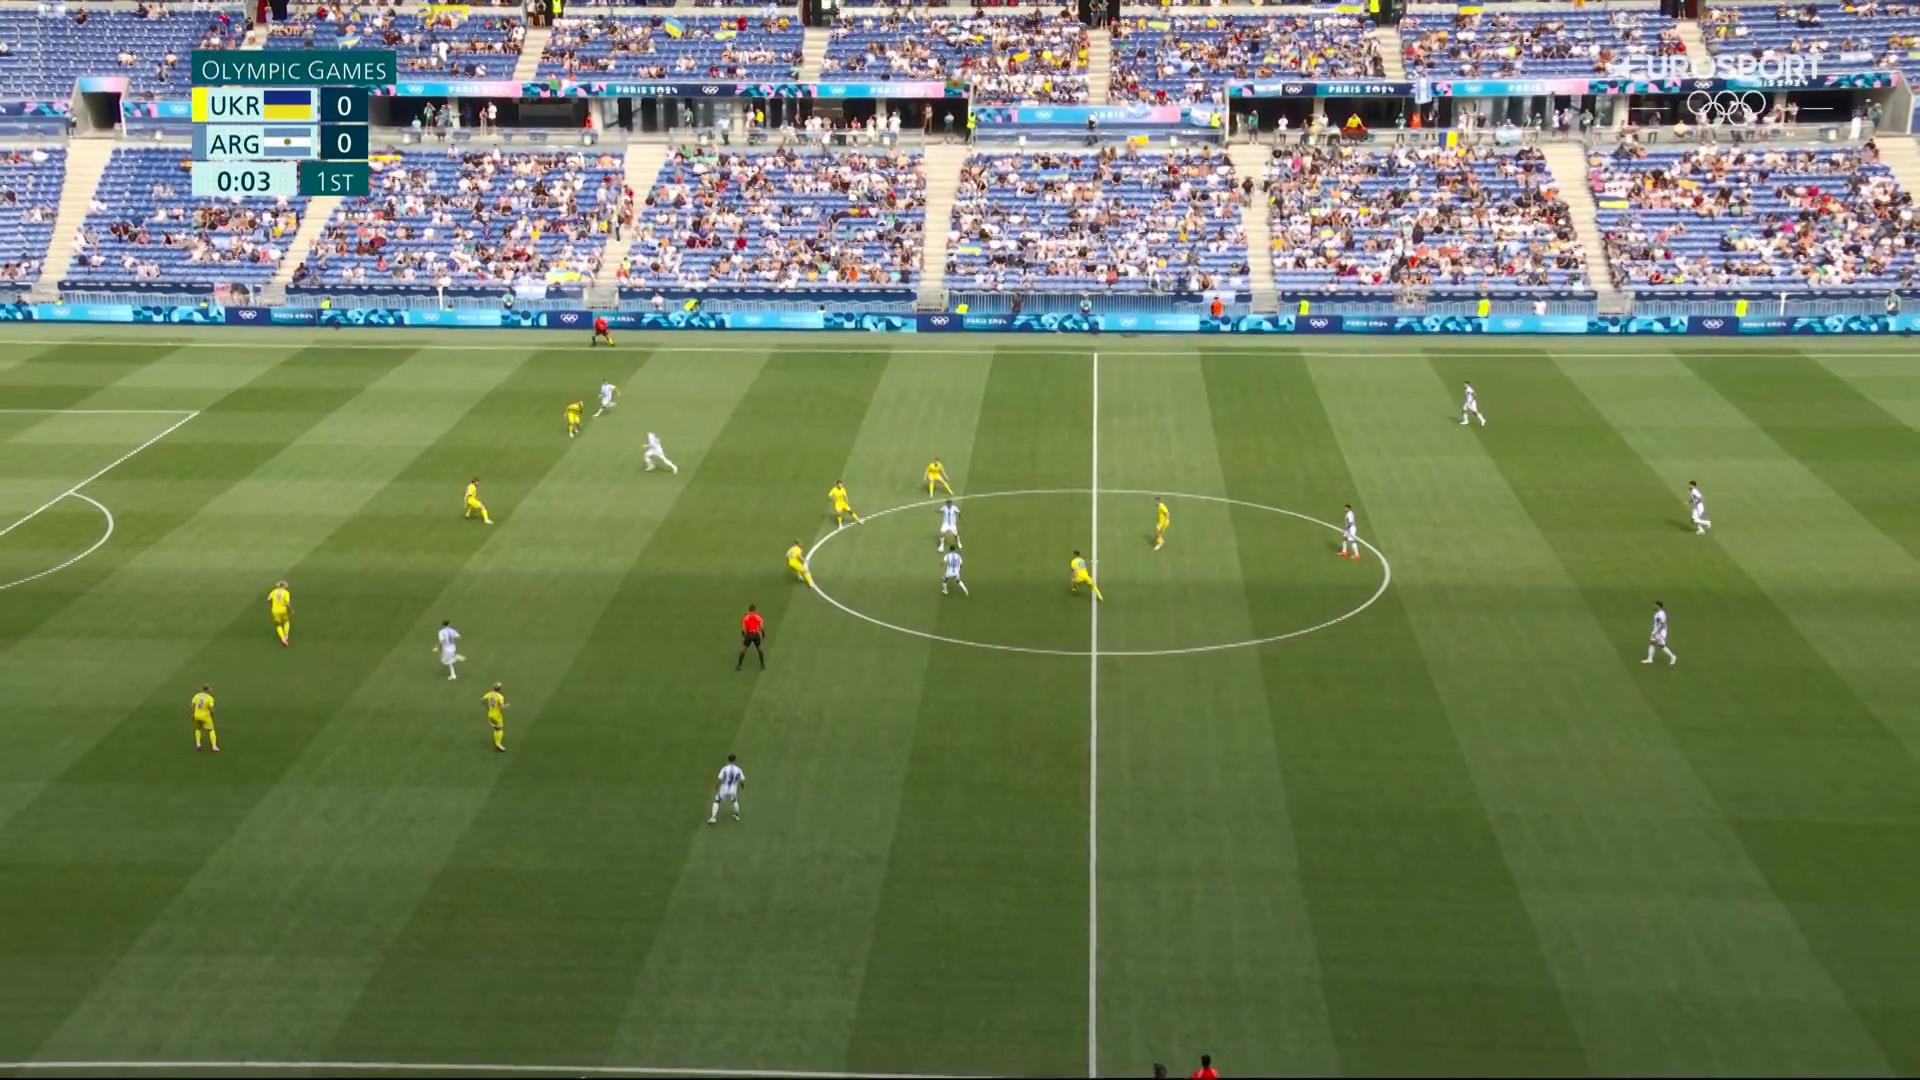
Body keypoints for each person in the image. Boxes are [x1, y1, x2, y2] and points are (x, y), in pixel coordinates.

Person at [708, 754, 745, 824]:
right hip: (733, 790)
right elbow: (742, 780)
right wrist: (742, 786)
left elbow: (719, 779)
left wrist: (716, 787)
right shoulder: (738, 769)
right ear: (735, 760)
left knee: (717, 801)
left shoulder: (724, 769)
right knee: (734, 800)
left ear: (728, 760)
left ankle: (713, 818)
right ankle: (737, 816)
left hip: (724, 789)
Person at [1643, 601, 1676, 665]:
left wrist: (1656, 632)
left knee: (1661, 646)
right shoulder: (1659, 613)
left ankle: (1673, 657)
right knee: (1652, 643)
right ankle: (1650, 659)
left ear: (1658, 606)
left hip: (1660, 633)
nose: (1654, 606)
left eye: (1655, 605)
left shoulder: (1660, 614)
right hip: (1657, 631)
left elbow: (1663, 624)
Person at [191, 684, 219, 753]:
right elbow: (211, 708)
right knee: (211, 730)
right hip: (205, 717)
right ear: (207, 690)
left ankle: (198, 744)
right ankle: (214, 747)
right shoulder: (209, 698)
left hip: (197, 715)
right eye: (210, 689)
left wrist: (193, 714)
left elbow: (192, 705)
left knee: (198, 728)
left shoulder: (196, 696)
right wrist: (213, 714)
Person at [737, 605, 766, 670]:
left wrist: (745, 637)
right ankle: (762, 665)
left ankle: (739, 666)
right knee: (759, 649)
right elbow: (762, 628)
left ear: (749, 610)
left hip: (749, 634)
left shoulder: (745, 617)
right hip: (756, 634)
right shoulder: (758, 617)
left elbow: (743, 629)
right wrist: (763, 635)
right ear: (755, 610)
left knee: (743, 649)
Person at [481, 681, 507, 751]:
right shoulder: (500, 697)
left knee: (496, 728)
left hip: (490, 714)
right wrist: (506, 706)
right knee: (500, 729)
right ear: (500, 689)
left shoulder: (489, 694)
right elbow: (502, 707)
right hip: (497, 716)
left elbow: (482, 699)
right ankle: (498, 745)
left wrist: (487, 707)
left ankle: (496, 742)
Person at [267, 579, 293, 647]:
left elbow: (268, 599)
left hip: (275, 610)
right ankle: (286, 635)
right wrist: (291, 610)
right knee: (286, 621)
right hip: (283, 610)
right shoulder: (286, 592)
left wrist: (272, 604)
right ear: (283, 586)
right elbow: (287, 603)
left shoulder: (274, 591)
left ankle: (283, 638)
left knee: (278, 625)